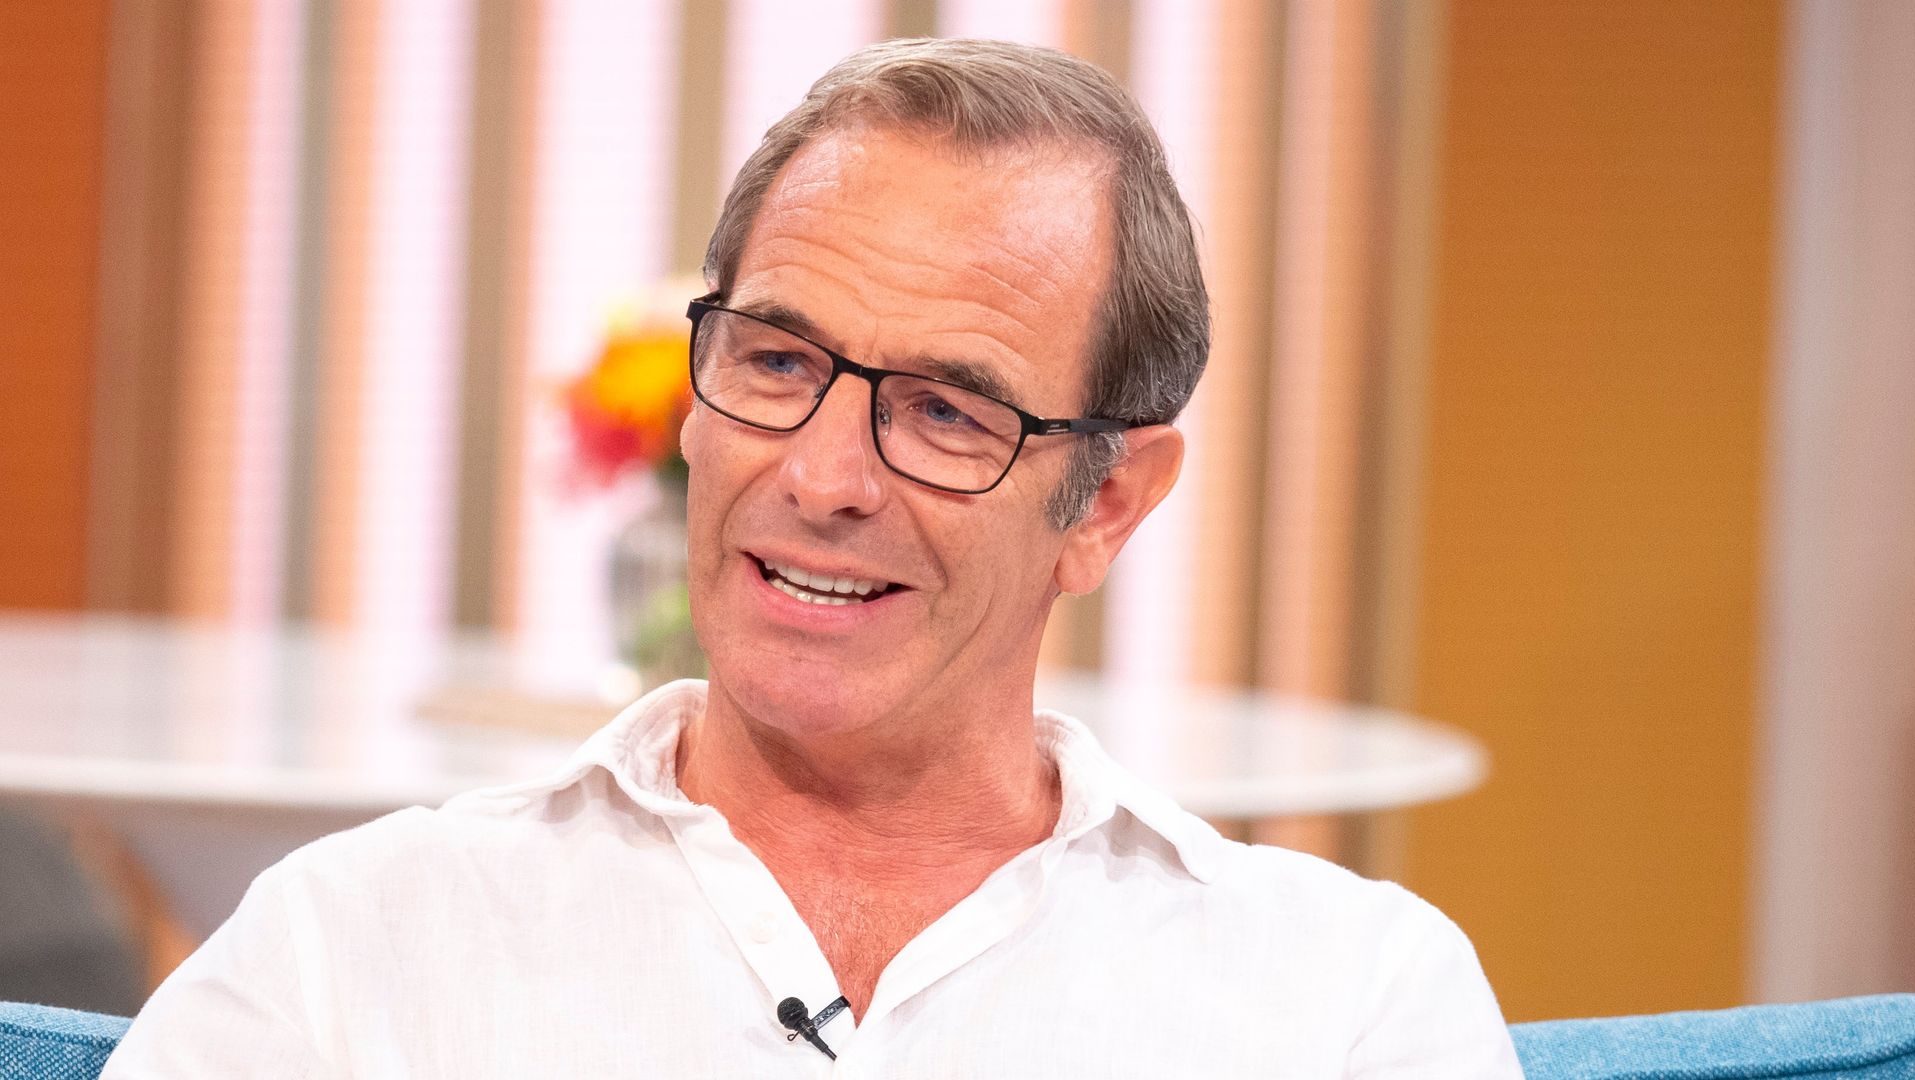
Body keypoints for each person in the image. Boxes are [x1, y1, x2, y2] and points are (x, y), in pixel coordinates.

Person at [105, 38, 1522, 1077]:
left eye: (947, 410)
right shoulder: (355, 950)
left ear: (1106, 503)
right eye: (776, 360)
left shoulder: (1348, 1003)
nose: (823, 478)